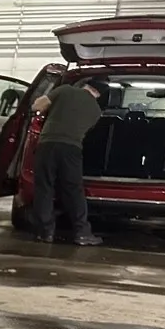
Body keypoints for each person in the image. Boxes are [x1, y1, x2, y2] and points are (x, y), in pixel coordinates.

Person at [29, 78, 104, 246]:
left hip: (47, 144)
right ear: (97, 94)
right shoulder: (96, 111)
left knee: (44, 188)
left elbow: (37, 106)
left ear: (85, 86)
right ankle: (82, 233)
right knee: (74, 190)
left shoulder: (65, 90)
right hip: (71, 149)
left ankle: (44, 233)